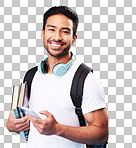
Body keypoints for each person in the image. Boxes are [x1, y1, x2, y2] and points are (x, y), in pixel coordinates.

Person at [6, 6, 108, 148]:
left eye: (65, 31)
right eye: (51, 29)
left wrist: (57, 129)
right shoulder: (31, 75)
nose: (57, 37)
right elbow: (18, 123)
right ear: (43, 33)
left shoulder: (86, 79)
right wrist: (12, 125)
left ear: (74, 39)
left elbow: (102, 133)